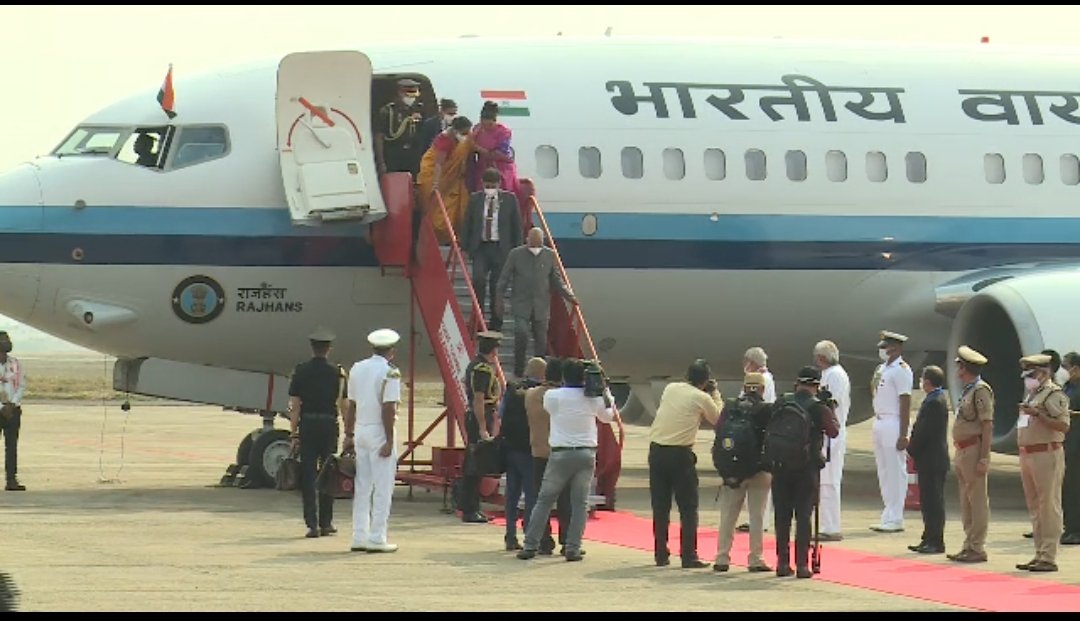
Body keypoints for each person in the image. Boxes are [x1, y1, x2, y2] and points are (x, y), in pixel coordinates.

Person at [518, 359, 618, 562]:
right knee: (579, 503)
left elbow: (550, 408)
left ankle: (530, 545)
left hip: (560, 453)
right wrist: (605, 390)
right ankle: (573, 547)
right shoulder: (592, 398)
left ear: (564, 376)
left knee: (545, 500)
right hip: (586, 454)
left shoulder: (553, 396)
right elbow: (608, 417)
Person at [648, 359, 721, 569]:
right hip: (680, 454)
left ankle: (660, 554)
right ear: (705, 380)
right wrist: (715, 393)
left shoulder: (671, 388)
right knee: (688, 507)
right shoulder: (702, 397)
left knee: (660, 506)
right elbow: (719, 419)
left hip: (657, 451)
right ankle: (688, 555)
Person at [768, 366, 839, 579]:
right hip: (806, 468)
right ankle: (802, 565)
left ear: (797, 383)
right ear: (816, 385)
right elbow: (834, 431)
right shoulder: (818, 407)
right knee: (803, 516)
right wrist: (830, 408)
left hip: (780, 465)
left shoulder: (782, 402)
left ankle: (782, 563)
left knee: (782, 516)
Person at [345, 328, 403, 553]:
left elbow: (351, 405)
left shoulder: (357, 368)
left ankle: (359, 535)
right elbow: (389, 408)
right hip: (379, 430)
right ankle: (377, 537)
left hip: (361, 429)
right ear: (391, 351)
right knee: (383, 486)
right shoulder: (391, 372)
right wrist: (389, 440)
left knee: (363, 486)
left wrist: (348, 434)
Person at [496, 227, 578, 378]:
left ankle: (539, 373)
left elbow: (556, 279)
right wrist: (499, 297)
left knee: (541, 341)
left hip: (541, 305)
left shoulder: (549, 255)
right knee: (521, 333)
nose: (532, 242)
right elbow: (504, 277)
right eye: (530, 239)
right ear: (527, 239)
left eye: (536, 240)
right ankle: (519, 370)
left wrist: (569, 295)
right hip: (521, 303)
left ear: (541, 241)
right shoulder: (516, 254)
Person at [287, 327, 346, 538]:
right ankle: (326, 522)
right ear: (329, 349)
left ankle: (312, 524)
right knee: (329, 473)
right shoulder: (337, 372)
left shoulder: (300, 371)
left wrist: (294, 433)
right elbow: (344, 404)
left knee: (309, 474)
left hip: (308, 425)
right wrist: (349, 431)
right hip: (329, 425)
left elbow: (295, 406)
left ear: (312, 348)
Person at [1015, 353, 1071, 572]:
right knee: (1035, 506)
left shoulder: (1054, 394)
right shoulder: (1033, 394)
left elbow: (1063, 425)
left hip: (1046, 453)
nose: (1028, 379)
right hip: (1028, 454)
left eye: (1031, 374)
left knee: (1048, 506)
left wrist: (1039, 415)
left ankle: (1048, 556)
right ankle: (1039, 553)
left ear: (1043, 373)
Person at [714, 372, 773, 573]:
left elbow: (719, 431)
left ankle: (722, 557)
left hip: (732, 470)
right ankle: (755, 558)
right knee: (757, 516)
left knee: (728, 515)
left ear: (744, 387)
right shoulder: (766, 410)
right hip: (759, 470)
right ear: (762, 389)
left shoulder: (731, 406)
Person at [947, 346, 994, 563]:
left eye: (960, 367)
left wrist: (984, 457)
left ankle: (977, 546)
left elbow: (987, 425)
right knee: (966, 501)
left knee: (976, 500)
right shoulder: (968, 390)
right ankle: (969, 543)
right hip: (963, 449)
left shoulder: (981, 391)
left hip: (973, 449)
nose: (957, 371)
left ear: (965, 368)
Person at [462, 167, 523, 331]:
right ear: (482, 183)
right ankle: (478, 318)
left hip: (501, 249)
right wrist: (464, 247)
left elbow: (517, 226)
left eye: (492, 186)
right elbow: (467, 223)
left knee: (497, 286)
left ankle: (496, 322)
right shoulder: (475, 199)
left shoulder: (510, 200)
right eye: (487, 186)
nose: (489, 189)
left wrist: (517, 251)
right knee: (478, 280)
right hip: (481, 247)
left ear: (499, 184)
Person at [525, 357, 571, 555]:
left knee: (541, 500)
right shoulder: (564, 397)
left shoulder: (530, 395)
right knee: (565, 500)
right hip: (560, 452)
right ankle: (567, 541)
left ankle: (543, 540)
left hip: (538, 453)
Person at [498, 356, 545, 550]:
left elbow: (500, 413)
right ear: (542, 374)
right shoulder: (539, 393)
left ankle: (510, 535)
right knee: (531, 494)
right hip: (529, 449)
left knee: (512, 494)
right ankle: (529, 536)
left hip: (510, 448)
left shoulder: (512, 389)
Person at [870, 330, 913, 533]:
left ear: (895, 348)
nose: (883, 351)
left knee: (895, 472)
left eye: (885, 347)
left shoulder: (901, 370)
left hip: (893, 421)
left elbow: (905, 402)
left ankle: (896, 517)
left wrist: (904, 434)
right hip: (880, 420)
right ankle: (888, 513)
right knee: (884, 471)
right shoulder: (882, 369)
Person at [459, 330, 503, 523]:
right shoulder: (482, 369)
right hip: (480, 415)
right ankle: (470, 508)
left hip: (481, 414)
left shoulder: (476, 365)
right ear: (494, 349)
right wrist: (482, 427)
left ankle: (470, 506)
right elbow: (478, 399)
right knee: (475, 464)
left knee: (475, 463)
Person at [907, 365, 950, 555]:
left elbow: (925, 432)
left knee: (933, 502)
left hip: (932, 459)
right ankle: (928, 537)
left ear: (927, 381)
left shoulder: (935, 402)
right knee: (927, 501)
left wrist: (911, 448)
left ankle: (935, 541)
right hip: (928, 458)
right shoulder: (933, 399)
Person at [416, 116, 475, 244]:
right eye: (464, 133)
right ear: (455, 130)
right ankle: (438, 239)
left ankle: (456, 237)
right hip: (434, 175)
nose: (466, 135)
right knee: (437, 212)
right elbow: (438, 164)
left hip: (453, 179)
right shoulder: (443, 141)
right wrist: (436, 184)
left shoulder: (465, 137)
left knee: (459, 207)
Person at [736, 346, 776, 533]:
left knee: (758, 478)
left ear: (751, 362)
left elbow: (748, 404)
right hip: (759, 431)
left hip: (756, 433)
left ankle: (759, 520)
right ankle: (757, 519)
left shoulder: (759, 379)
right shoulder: (766, 377)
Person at [813, 340, 850, 541]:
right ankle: (827, 524)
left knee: (829, 481)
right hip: (826, 433)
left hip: (832, 434)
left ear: (821, 358)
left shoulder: (835, 375)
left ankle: (831, 527)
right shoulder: (828, 374)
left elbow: (830, 404)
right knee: (824, 480)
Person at [470, 101, 520, 201]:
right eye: (483, 124)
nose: (486, 127)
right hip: (483, 167)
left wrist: (477, 148)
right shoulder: (477, 129)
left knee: (501, 196)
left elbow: (501, 153)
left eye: (490, 125)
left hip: (501, 167)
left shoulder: (504, 132)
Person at [374, 78, 425, 176]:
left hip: (413, 153)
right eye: (408, 93)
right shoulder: (388, 111)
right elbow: (379, 136)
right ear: (400, 92)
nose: (411, 97)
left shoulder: (419, 109)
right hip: (394, 153)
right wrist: (381, 162)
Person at [0, 331, 26, 491]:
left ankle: (11, 480)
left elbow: (21, 385)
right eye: (3, 340)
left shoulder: (15, 364)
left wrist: (12, 404)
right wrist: (2, 407)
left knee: (12, 447)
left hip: (12, 411)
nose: (7, 343)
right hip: (2, 409)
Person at [1060, 352, 1080, 545]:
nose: (1066, 371)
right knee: (1067, 488)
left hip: (1077, 445)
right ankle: (1069, 527)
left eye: (1068, 367)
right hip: (1067, 442)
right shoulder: (1067, 387)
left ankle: (1077, 530)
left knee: (1076, 488)